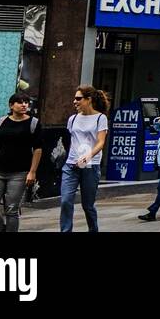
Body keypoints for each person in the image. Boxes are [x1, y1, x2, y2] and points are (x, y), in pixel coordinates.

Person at [0, 94, 43, 232]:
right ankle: (0, 229)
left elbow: (38, 149)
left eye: (26, 102)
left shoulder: (33, 123)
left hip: (20, 172)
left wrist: (32, 171)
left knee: (11, 210)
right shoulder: (1, 122)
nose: (24, 105)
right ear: (11, 105)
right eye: (20, 102)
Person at [60, 86, 109, 233]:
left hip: (90, 166)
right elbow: (73, 139)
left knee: (87, 205)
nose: (75, 101)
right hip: (71, 165)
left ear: (89, 100)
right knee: (65, 201)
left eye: (78, 98)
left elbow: (101, 142)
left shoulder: (101, 118)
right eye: (75, 98)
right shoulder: (73, 118)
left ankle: (93, 229)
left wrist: (88, 156)